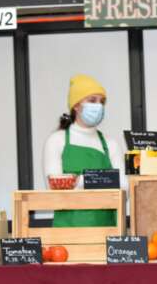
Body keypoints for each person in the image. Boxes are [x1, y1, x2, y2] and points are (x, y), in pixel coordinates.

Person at [42, 74, 123, 227]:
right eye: (92, 100)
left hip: (107, 231)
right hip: (67, 232)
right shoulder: (56, 141)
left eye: (102, 102)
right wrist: (102, 181)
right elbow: (53, 186)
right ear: (76, 106)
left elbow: (123, 187)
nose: (99, 106)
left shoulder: (111, 144)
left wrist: (78, 181)